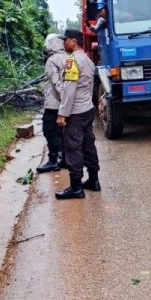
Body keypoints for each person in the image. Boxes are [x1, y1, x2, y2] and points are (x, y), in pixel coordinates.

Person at [55, 29, 101, 199]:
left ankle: (76, 188)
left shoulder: (72, 61)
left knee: (73, 147)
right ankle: (94, 181)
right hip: (87, 109)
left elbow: (69, 89)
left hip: (75, 112)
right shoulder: (88, 60)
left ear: (73, 41)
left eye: (65, 40)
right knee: (88, 145)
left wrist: (62, 114)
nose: (63, 43)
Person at [37, 34, 67, 173]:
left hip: (54, 104)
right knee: (64, 132)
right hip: (68, 103)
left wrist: (63, 99)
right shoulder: (69, 58)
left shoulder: (51, 60)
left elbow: (56, 83)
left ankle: (53, 161)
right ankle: (65, 159)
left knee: (49, 130)